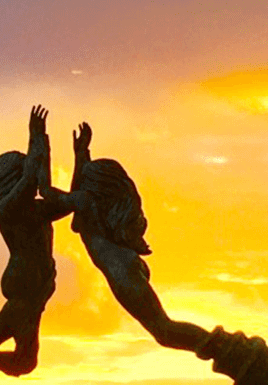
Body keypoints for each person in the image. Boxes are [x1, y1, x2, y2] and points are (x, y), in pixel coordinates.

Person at [42, 122, 211, 354]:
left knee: (163, 330)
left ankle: (220, 346)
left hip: (122, 273)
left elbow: (46, 193)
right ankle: (219, 346)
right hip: (126, 265)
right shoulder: (94, 209)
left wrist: (40, 147)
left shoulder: (87, 204)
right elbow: (77, 195)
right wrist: (81, 154)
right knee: (164, 330)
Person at [0, 105, 75, 375]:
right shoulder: (8, 209)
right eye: (22, 174)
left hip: (36, 291)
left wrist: (77, 154)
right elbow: (32, 176)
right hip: (23, 287)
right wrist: (35, 136)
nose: (28, 181)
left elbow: (67, 199)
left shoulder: (37, 209)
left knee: (18, 358)